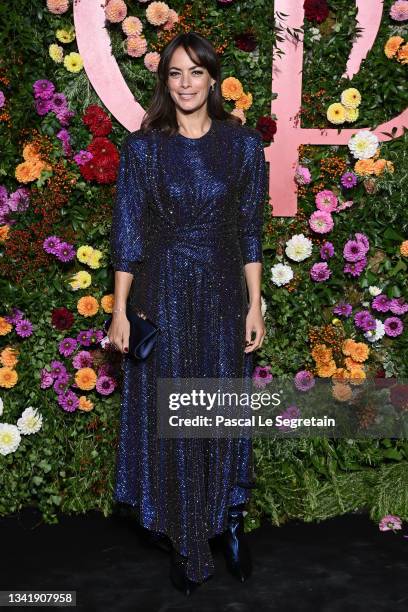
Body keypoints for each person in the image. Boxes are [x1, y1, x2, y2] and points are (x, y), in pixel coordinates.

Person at [108, 31, 267, 596]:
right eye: (175, 73)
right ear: (164, 81)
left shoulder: (244, 147)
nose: (185, 84)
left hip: (224, 293)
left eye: (195, 73)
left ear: (212, 79)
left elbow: (249, 229)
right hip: (165, 292)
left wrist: (256, 302)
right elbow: (129, 232)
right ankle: (186, 536)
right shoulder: (144, 150)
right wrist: (121, 310)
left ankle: (228, 523)